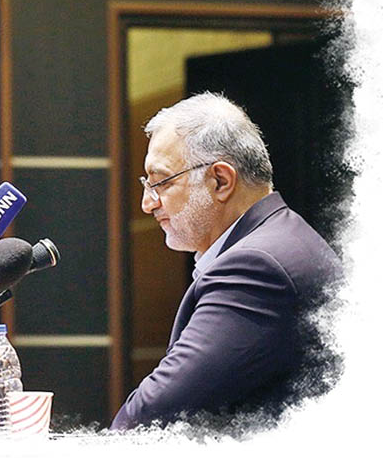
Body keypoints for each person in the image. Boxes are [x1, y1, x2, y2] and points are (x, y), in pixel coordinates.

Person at [110, 92, 342, 430]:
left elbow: (152, 416)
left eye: (160, 182)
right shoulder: (278, 239)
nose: (148, 203)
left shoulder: (257, 268)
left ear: (220, 181)